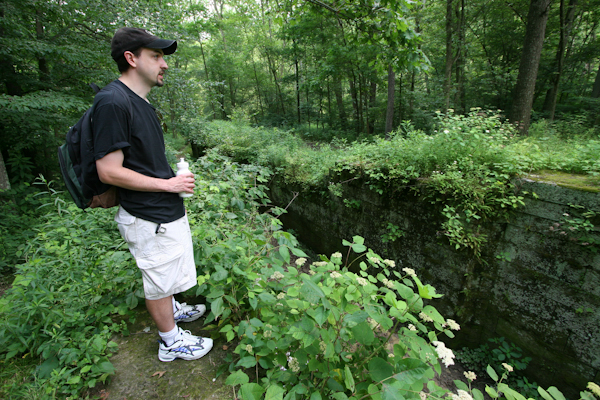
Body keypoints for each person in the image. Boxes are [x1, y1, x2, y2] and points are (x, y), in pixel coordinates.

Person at [94, 27, 213, 362]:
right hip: (146, 214)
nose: (164, 64)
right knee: (158, 277)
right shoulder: (113, 102)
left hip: (159, 209)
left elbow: (139, 159)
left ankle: (171, 309)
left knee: (167, 268)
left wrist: (171, 176)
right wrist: (168, 185)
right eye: (156, 56)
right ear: (131, 59)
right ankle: (170, 341)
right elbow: (108, 170)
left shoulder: (139, 101)